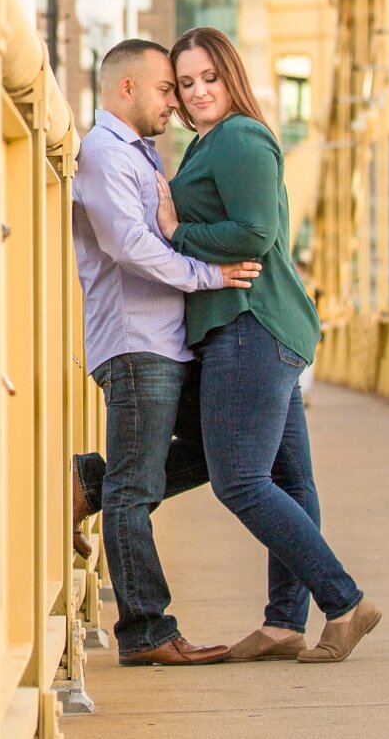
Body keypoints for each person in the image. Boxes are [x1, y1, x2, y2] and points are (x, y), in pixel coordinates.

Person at [154, 25, 380, 664]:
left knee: (241, 481)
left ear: (232, 76)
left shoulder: (242, 138)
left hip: (250, 324)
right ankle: (285, 624)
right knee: (290, 480)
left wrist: (176, 232)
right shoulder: (208, 144)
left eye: (209, 77)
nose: (198, 92)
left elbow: (254, 233)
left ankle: (345, 600)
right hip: (261, 325)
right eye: (186, 82)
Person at [68, 38, 262, 667]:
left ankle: (84, 483)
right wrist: (210, 275)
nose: (176, 101)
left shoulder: (144, 154)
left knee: (213, 452)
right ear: (126, 88)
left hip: (164, 343)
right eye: (165, 89)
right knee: (136, 489)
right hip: (133, 343)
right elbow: (128, 246)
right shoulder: (102, 154)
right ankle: (147, 632)